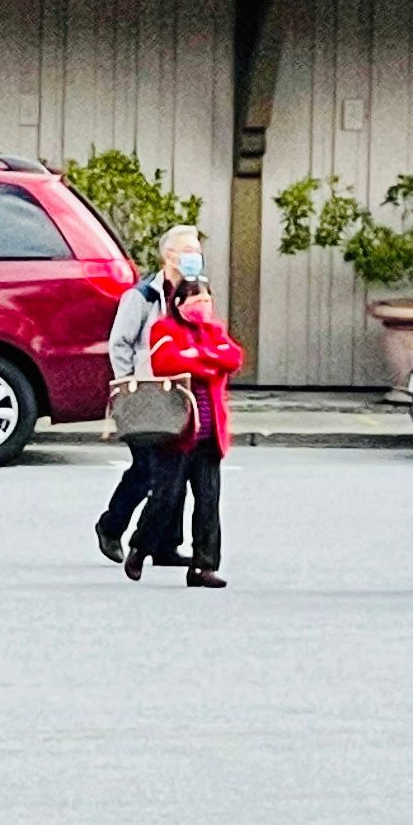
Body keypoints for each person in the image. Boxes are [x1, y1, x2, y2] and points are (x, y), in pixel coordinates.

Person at [97, 223, 202, 567]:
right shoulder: (142, 297)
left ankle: (166, 543)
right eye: (188, 251)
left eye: (197, 251)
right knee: (147, 469)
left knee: (176, 471)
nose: (195, 257)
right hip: (145, 393)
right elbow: (120, 343)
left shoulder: (194, 292)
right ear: (167, 255)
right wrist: (128, 386)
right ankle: (111, 526)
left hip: (179, 394)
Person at [126, 279, 242, 589]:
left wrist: (199, 355)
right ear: (178, 304)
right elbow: (167, 362)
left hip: (210, 436)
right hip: (177, 433)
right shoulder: (164, 330)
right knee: (166, 498)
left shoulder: (214, 331)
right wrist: (208, 360)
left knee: (208, 503)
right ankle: (140, 547)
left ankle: (204, 566)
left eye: (206, 297)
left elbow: (233, 357)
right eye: (195, 299)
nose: (202, 304)